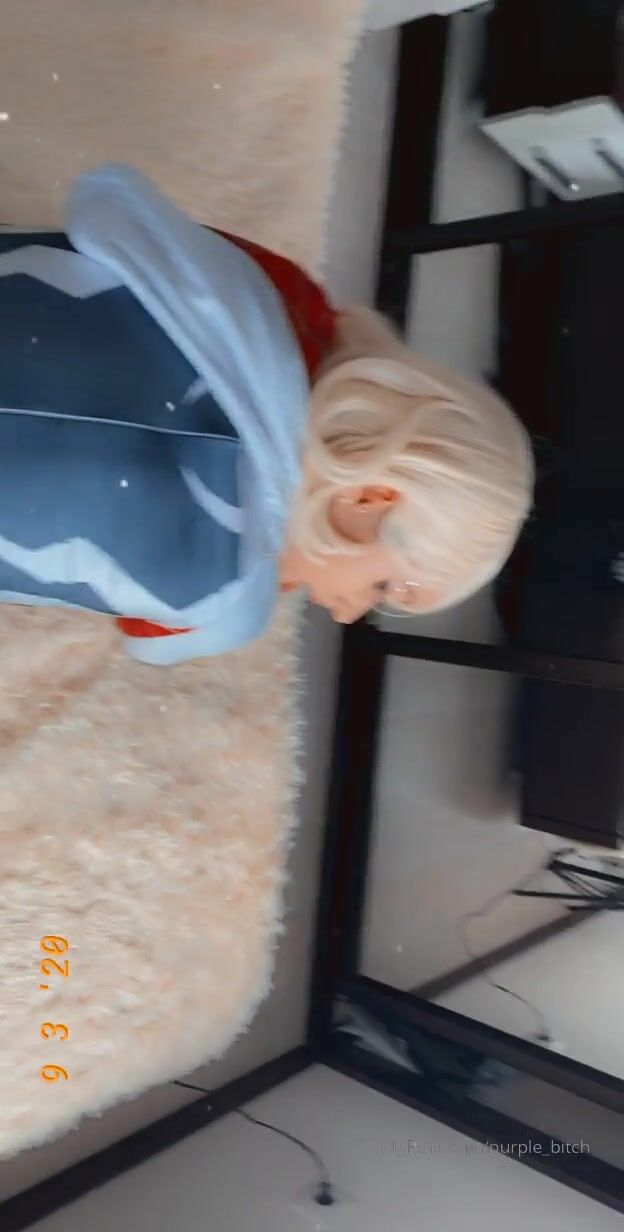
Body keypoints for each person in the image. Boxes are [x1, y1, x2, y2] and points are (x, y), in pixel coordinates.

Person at [0, 164, 533, 665]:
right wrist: (276, 566)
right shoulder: (221, 584)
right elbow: (150, 640)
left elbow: (106, 203)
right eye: (382, 590)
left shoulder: (279, 297)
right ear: (369, 498)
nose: (347, 613)